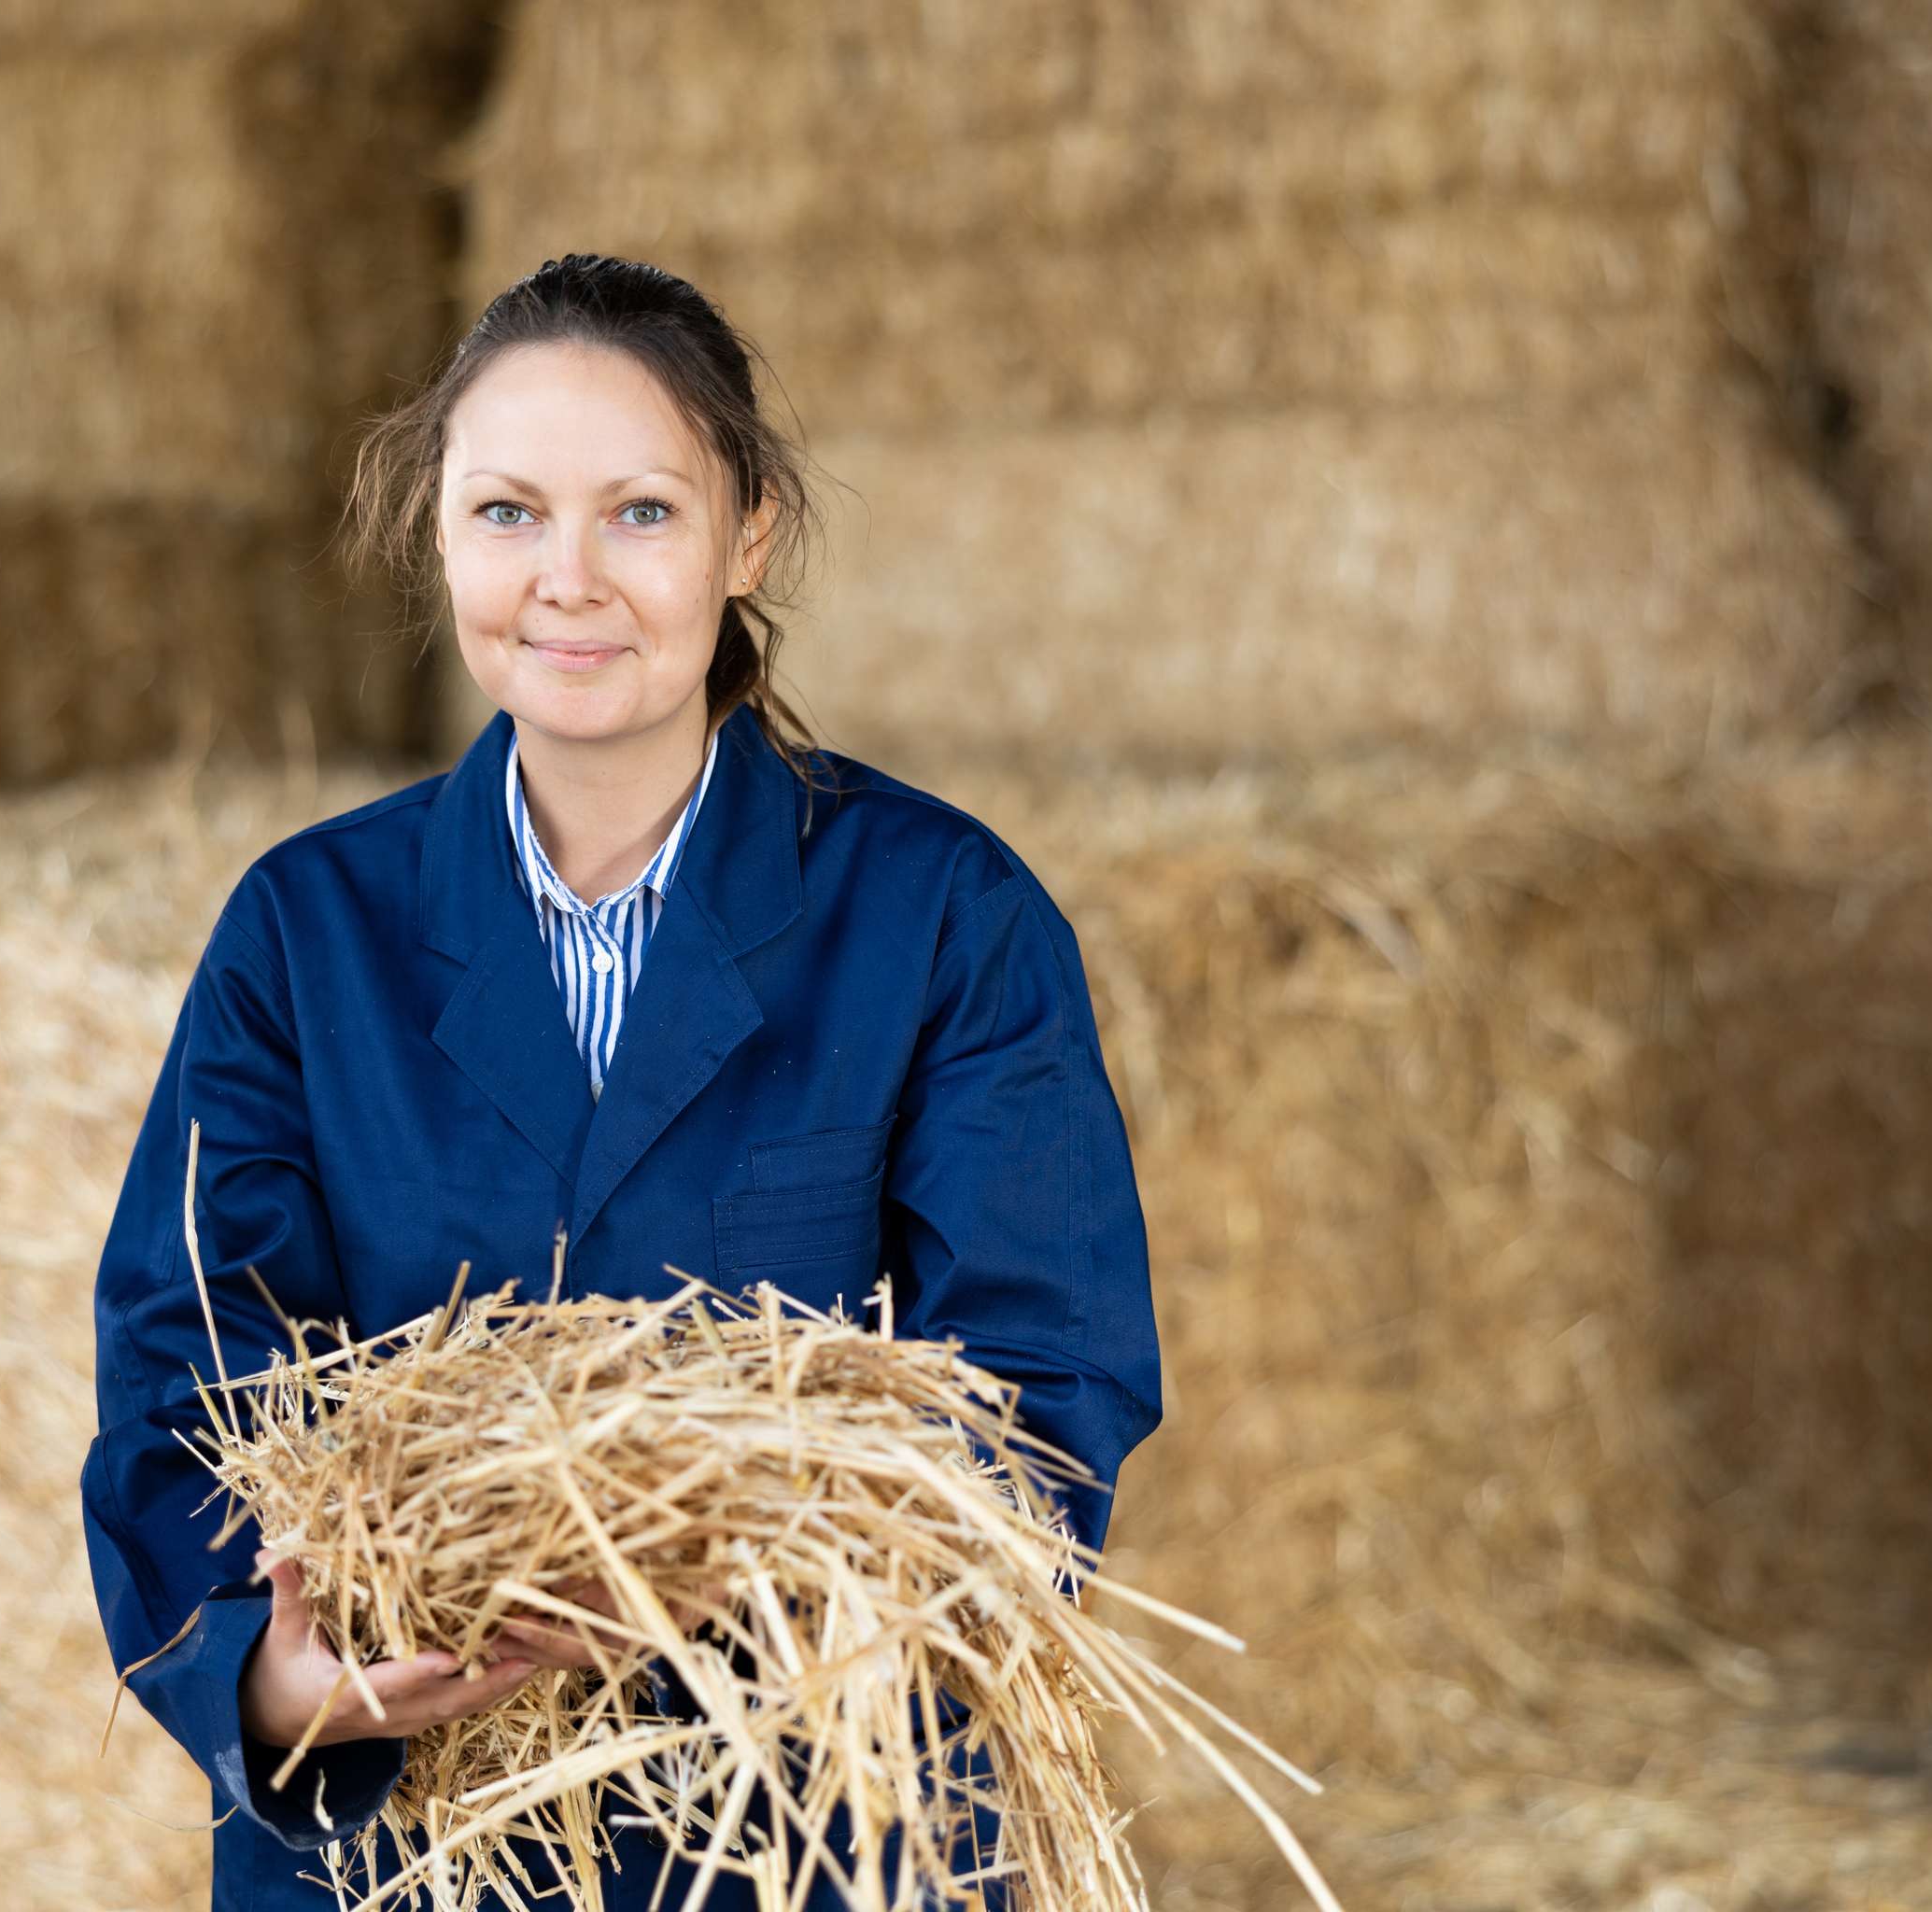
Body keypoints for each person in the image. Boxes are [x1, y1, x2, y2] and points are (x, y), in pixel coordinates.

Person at [80, 253, 1164, 1910]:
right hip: (398, 1849)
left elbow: (1041, 1385)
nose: (566, 579)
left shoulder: (946, 916)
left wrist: (752, 1608)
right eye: (507, 513)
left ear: (752, 535)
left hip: (806, 1837)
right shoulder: (304, 934)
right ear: (434, 535)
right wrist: (290, 1688)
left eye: (641, 514)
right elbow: (186, 1374)